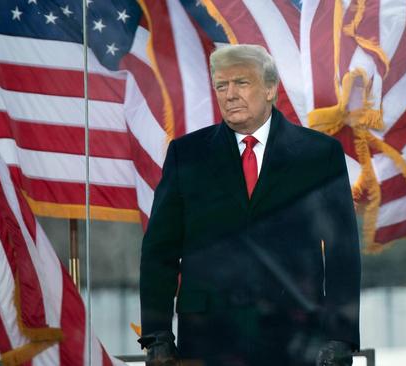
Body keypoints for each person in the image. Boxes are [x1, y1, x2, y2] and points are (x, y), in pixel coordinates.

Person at [138, 44, 361, 366]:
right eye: (221, 86)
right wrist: (156, 335)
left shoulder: (319, 154)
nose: (230, 95)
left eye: (241, 83)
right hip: (207, 337)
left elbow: (343, 251)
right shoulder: (186, 155)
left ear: (271, 89)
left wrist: (341, 336)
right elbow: (160, 250)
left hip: (295, 335)